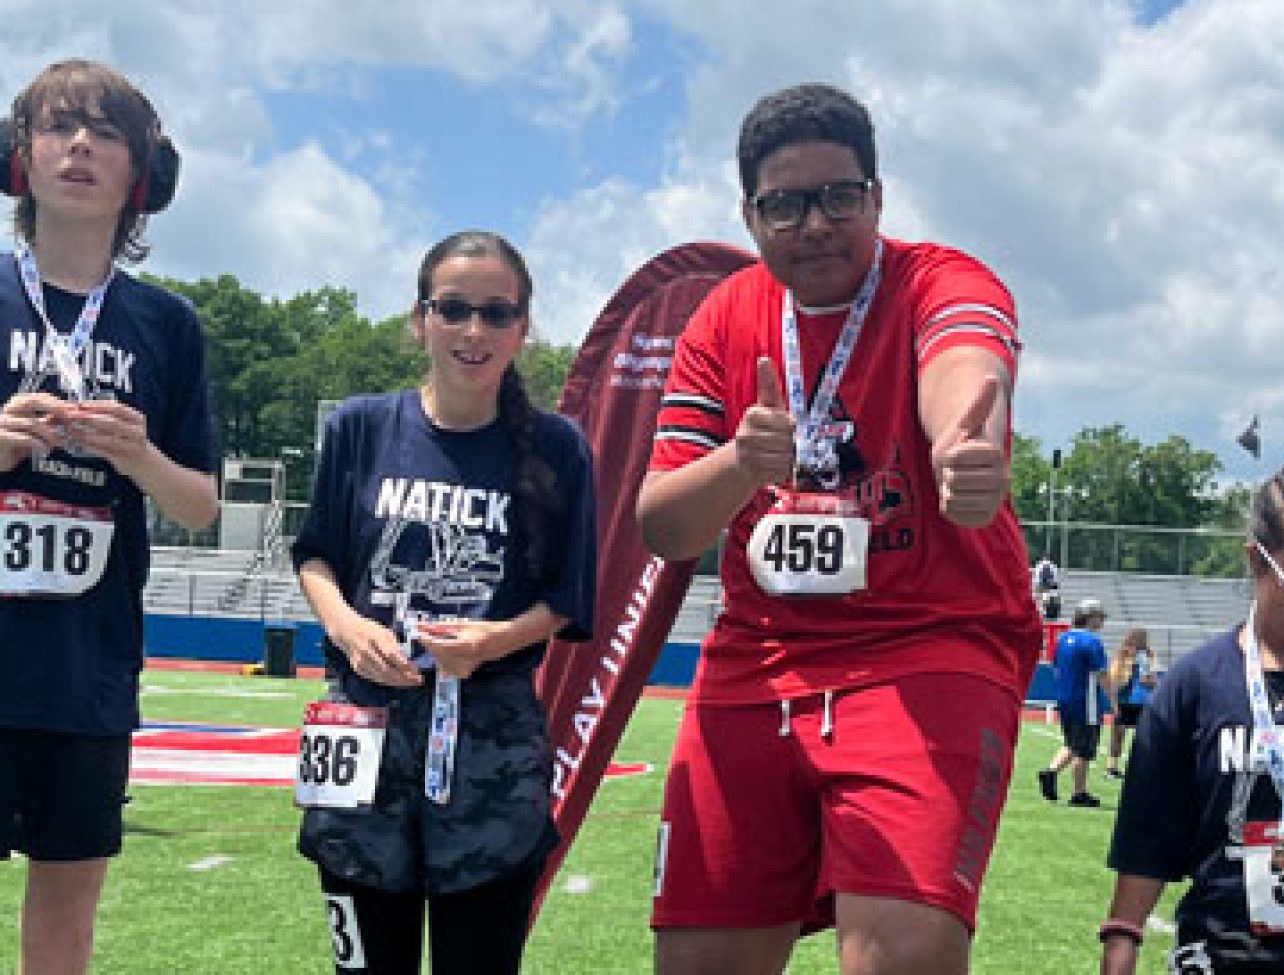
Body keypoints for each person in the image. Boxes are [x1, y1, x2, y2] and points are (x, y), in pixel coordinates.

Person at [636, 82, 1041, 975]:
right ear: (749, 215)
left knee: (898, 958)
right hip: (759, 656)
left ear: (878, 197)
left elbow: (963, 364)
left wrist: (961, 446)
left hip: (929, 644)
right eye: (785, 204)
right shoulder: (725, 315)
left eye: (840, 196)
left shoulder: (943, 279)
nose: (815, 222)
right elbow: (662, 526)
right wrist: (740, 463)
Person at [290, 230, 596, 974]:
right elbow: (315, 553)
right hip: (363, 736)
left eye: (497, 313)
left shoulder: (558, 448)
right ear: (420, 317)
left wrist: (492, 640)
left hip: (492, 750)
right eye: (453, 308)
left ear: (524, 326)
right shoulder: (360, 426)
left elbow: (568, 597)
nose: (474, 331)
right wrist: (348, 624)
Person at [0, 59, 217, 974]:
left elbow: (199, 505)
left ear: (143, 178)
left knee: (66, 923)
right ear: (20, 161)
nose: (81, 144)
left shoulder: (167, 325)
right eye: (59, 126)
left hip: (86, 669)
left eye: (107, 132)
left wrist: (139, 456)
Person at [1100, 454, 1284, 974]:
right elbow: (1149, 832)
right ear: (1258, 561)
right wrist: (1122, 940)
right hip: (1219, 955)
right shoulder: (1195, 685)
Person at [1038, 597, 1113, 808]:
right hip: (1085, 700)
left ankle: (1051, 772)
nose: (1102, 622)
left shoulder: (1062, 639)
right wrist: (1113, 700)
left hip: (1065, 698)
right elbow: (1102, 673)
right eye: (1100, 618)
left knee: (1072, 742)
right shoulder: (1092, 641)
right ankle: (1078, 792)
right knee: (1084, 748)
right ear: (1090, 618)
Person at [1104, 627, 1156, 780]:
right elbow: (1116, 677)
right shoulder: (1123, 654)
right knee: (1120, 735)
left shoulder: (1148, 655)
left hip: (1139, 700)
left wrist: (1151, 681)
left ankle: (1132, 767)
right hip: (1128, 700)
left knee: (1139, 736)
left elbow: (1150, 678)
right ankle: (1113, 767)